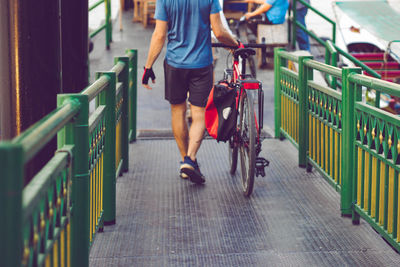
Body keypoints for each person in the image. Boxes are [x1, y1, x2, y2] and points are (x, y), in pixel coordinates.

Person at [142, 0, 239, 184]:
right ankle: (190, 159)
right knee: (199, 113)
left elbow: (159, 35)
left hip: (174, 64)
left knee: (177, 111)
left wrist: (148, 66)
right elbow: (219, 32)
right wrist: (235, 44)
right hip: (201, 64)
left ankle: (186, 162)